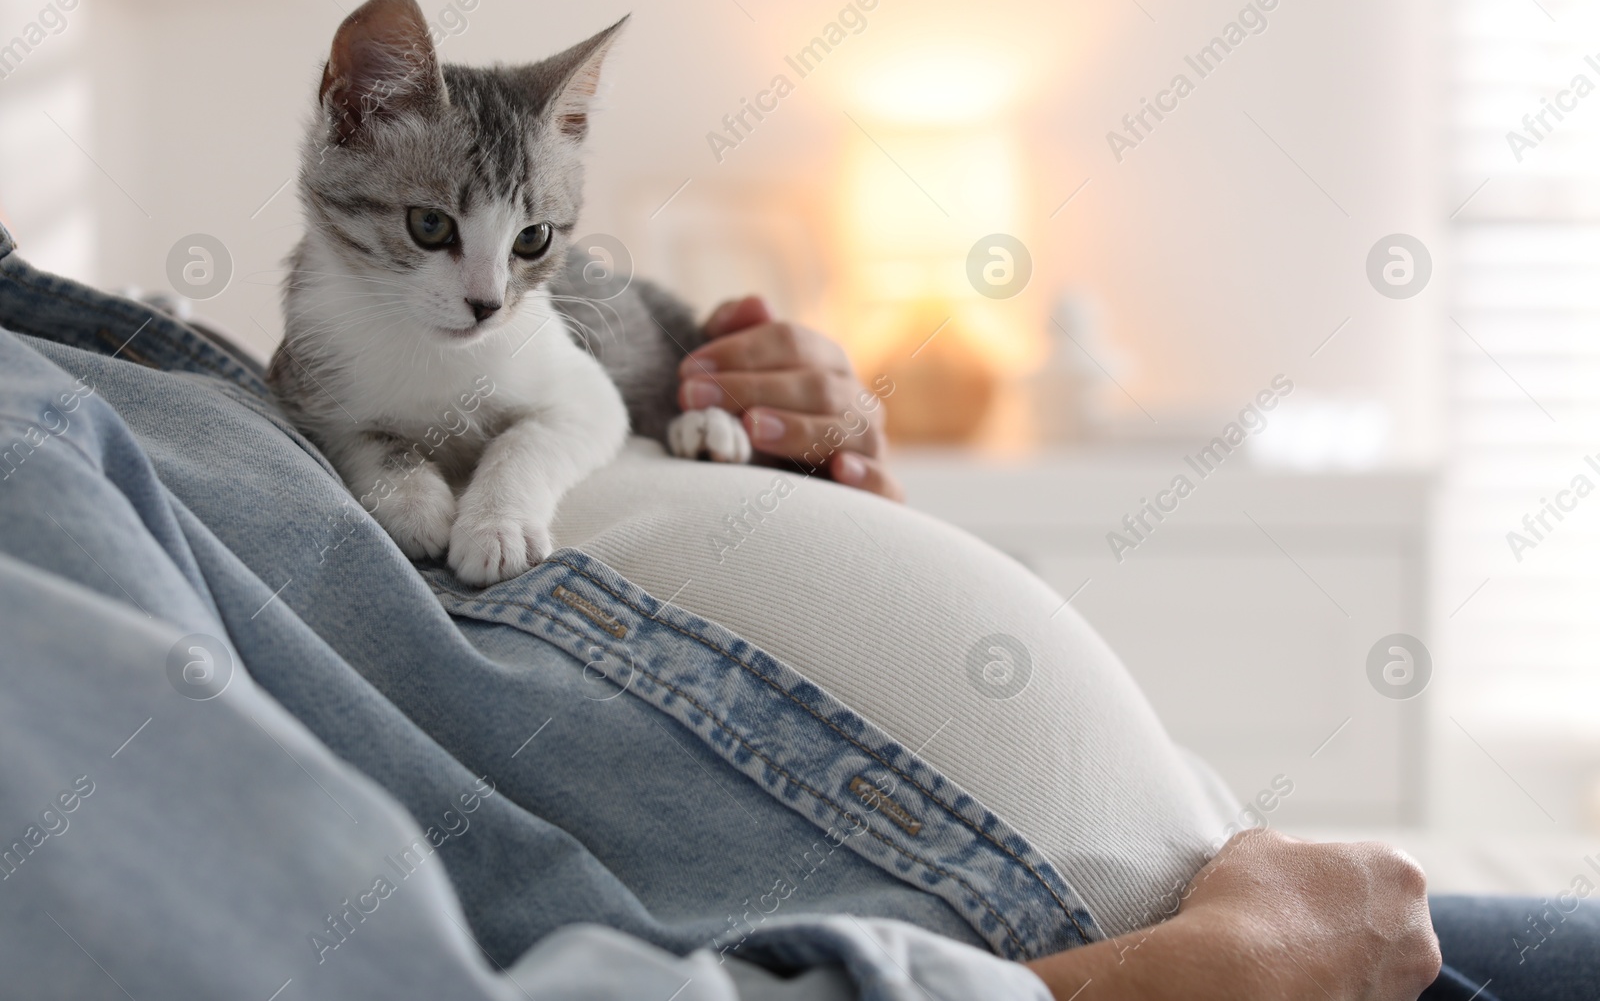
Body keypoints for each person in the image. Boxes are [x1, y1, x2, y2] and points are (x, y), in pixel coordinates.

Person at [0, 220, 1592, 999]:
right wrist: (1173, 990)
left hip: (1221, 900)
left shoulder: (94, 347)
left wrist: (798, 507)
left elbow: (426, 658)